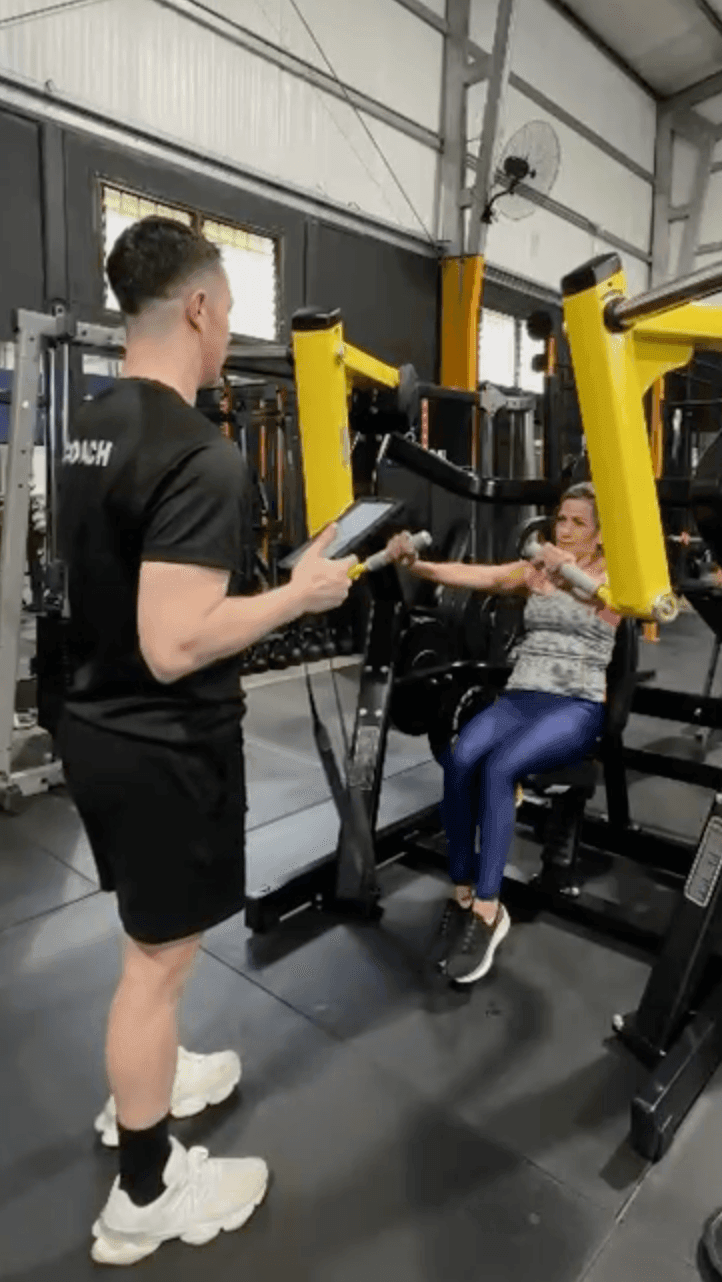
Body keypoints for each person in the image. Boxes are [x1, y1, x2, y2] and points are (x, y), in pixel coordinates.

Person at [55, 217, 355, 1266]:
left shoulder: (88, 422)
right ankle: (145, 1190)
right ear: (196, 308)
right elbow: (176, 640)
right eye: (227, 311)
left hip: (92, 723)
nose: (229, 330)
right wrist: (299, 594)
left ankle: (155, 1075)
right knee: (157, 966)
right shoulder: (201, 455)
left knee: (148, 947)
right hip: (161, 742)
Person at [386, 484, 620, 984]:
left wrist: (567, 571)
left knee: (499, 768)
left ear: (601, 536)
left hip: (575, 705)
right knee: (459, 757)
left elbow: (624, 604)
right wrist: (416, 566)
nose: (564, 529)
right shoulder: (537, 570)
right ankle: (463, 891)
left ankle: (490, 910)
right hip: (520, 697)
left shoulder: (617, 577)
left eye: (578, 523)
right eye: (561, 519)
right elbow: (479, 575)